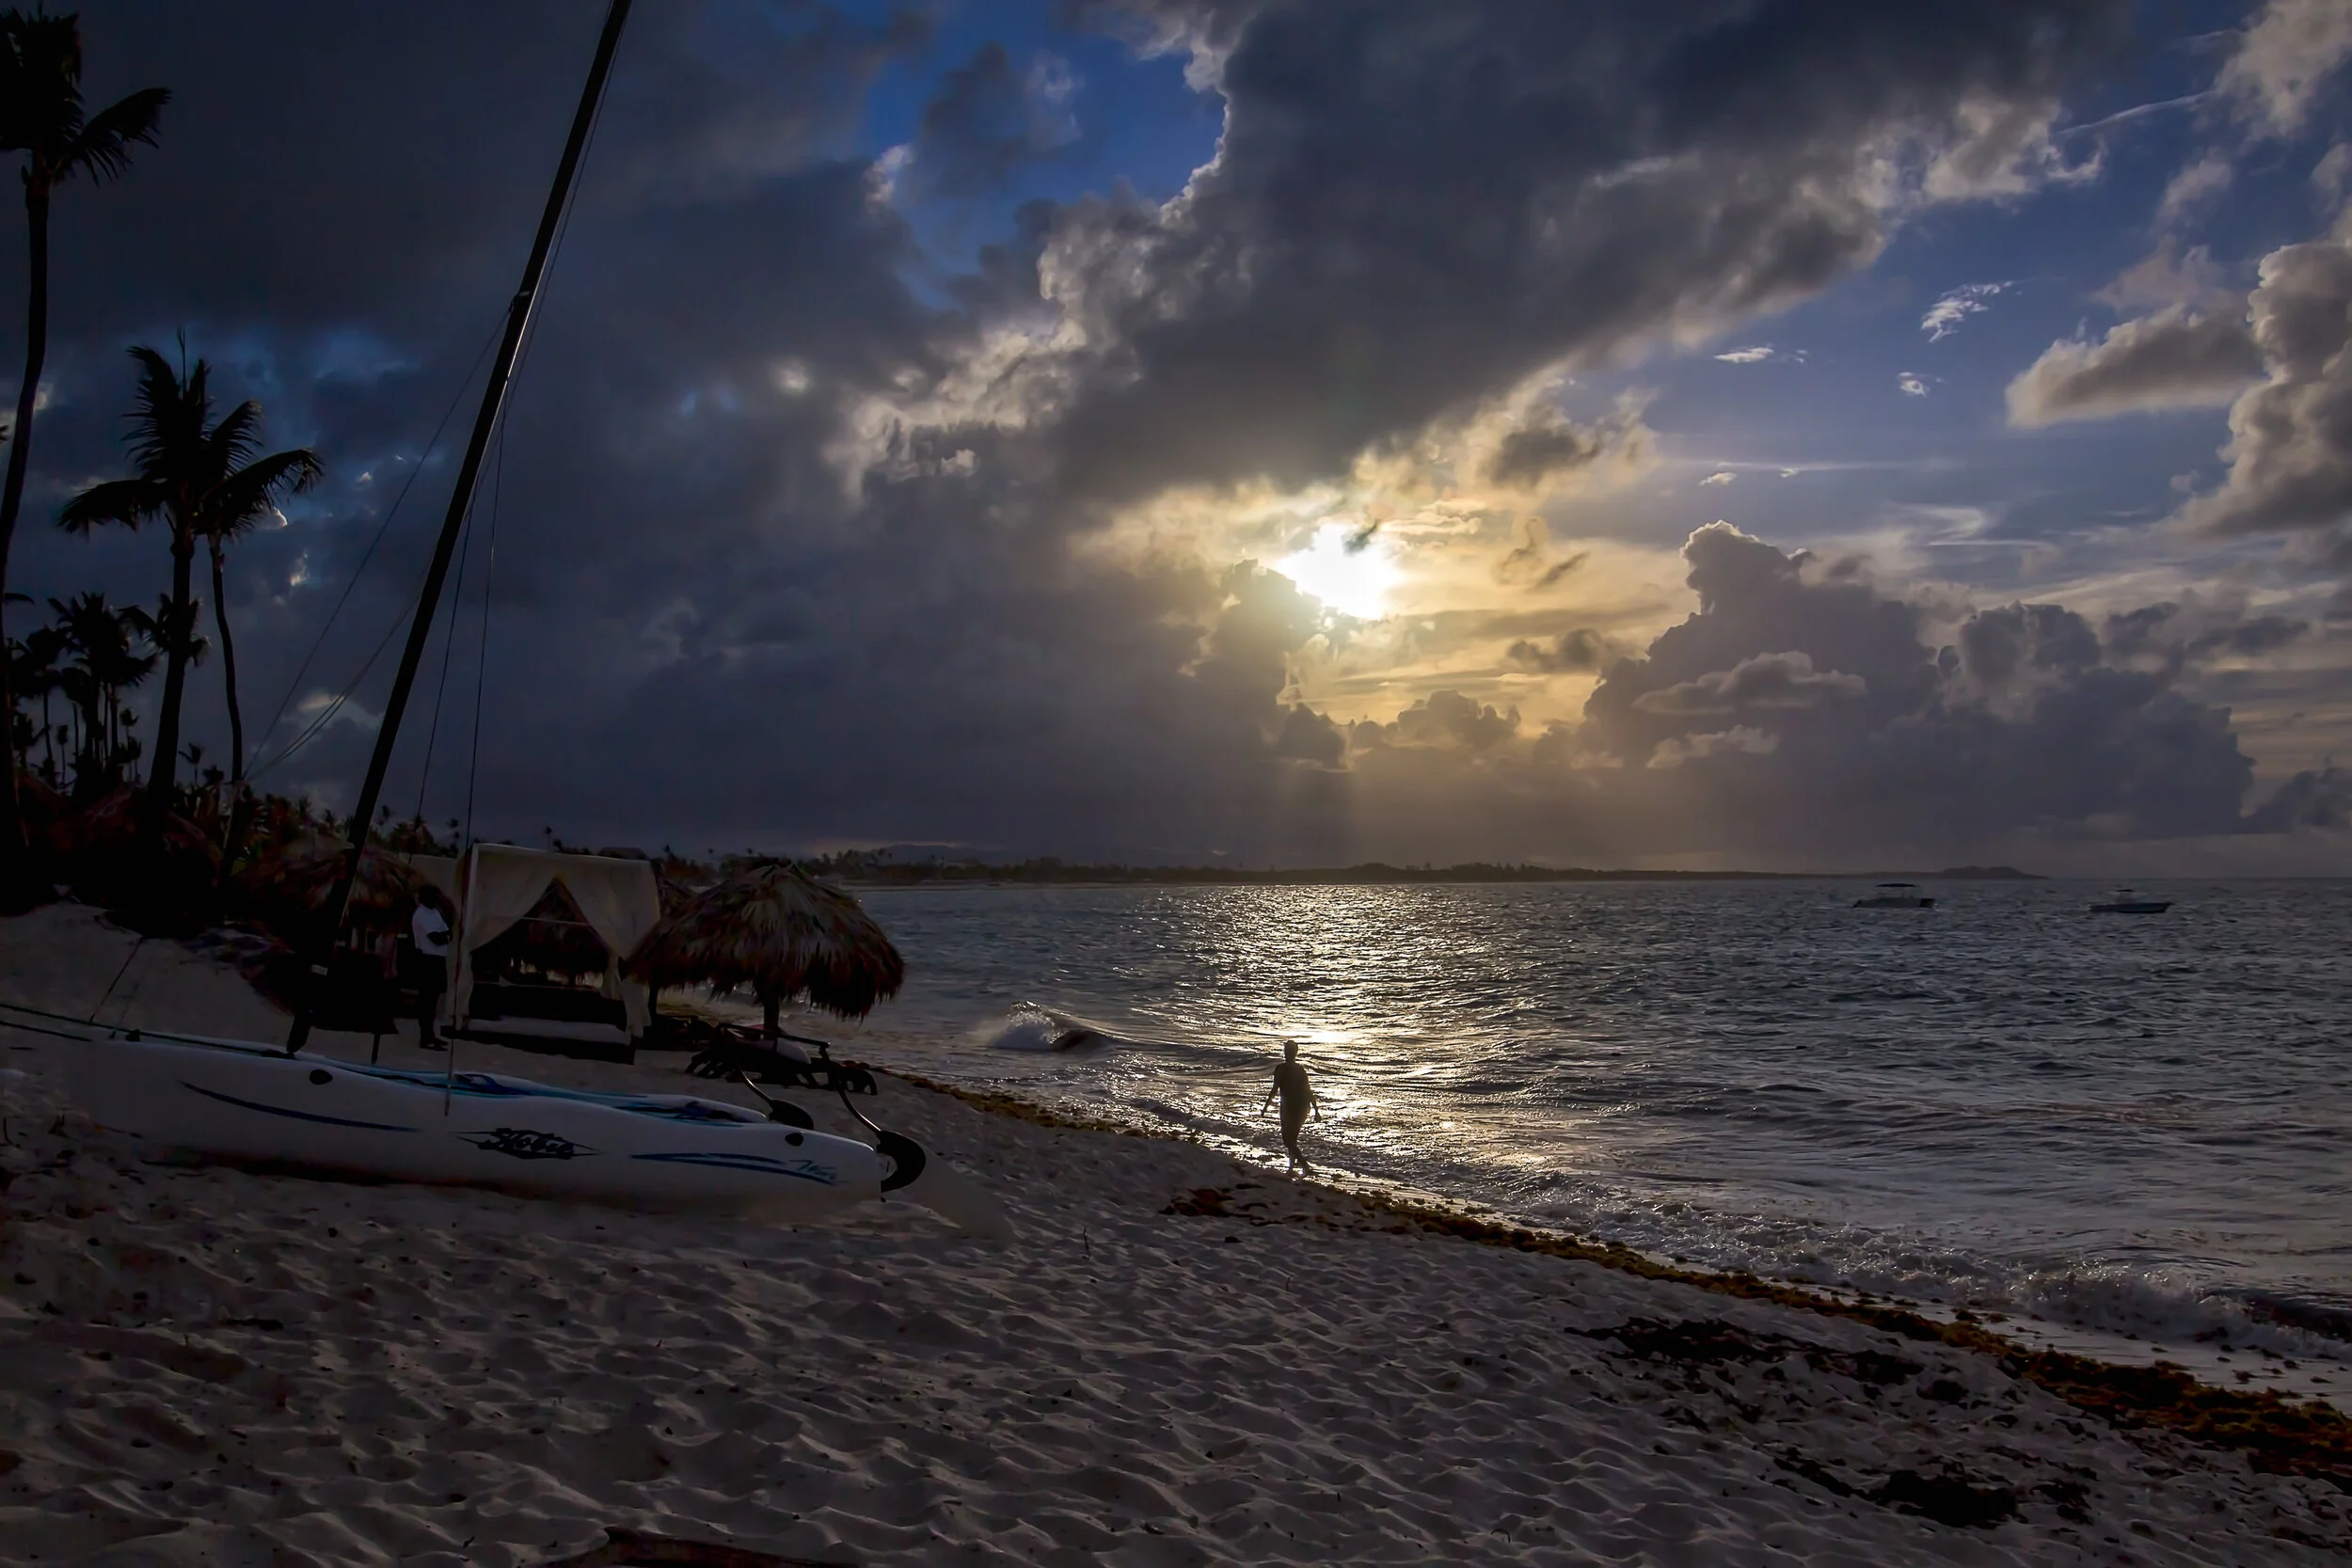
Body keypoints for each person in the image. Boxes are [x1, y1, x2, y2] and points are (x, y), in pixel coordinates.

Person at [1261, 1040, 1322, 1172]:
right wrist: (1316, 1110)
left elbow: (1275, 1089)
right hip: (1301, 1106)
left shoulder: (1281, 1069)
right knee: (1292, 1139)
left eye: (1287, 1050)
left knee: (1288, 1140)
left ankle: (1304, 1165)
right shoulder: (1300, 1070)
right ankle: (1291, 1167)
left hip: (1291, 1107)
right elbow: (1308, 1091)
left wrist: (1266, 1106)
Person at [409, 886, 453, 1051]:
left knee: (433, 999)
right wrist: (446, 936)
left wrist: (446, 936)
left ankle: (430, 1034)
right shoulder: (421, 914)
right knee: (426, 1000)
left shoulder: (434, 912)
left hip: (438, 959)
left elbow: (448, 933)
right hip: (427, 959)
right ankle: (425, 1037)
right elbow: (437, 938)